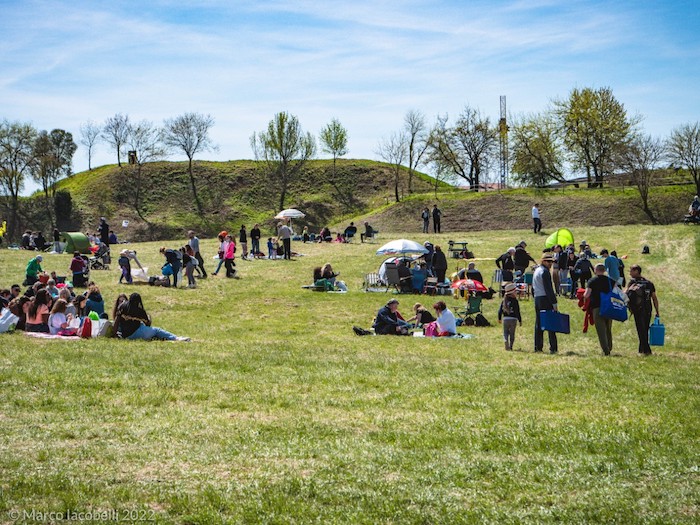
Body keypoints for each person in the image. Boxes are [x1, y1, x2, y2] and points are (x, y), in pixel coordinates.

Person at [114, 293, 190, 341]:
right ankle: (175, 338)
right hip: (136, 333)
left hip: (125, 335)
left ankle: (157, 337)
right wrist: (149, 317)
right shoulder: (140, 311)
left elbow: (116, 321)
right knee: (157, 330)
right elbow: (148, 324)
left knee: (145, 329)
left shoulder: (122, 306)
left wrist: (114, 334)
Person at [625, 265, 660, 355]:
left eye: (631, 271)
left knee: (641, 330)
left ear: (637, 271)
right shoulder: (649, 283)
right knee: (645, 329)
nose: (630, 273)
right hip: (648, 309)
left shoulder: (632, 283)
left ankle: (646, 350)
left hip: (637, 309)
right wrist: (657, 311)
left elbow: (625, 294)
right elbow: (654, 298)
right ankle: (642, 349)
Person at [584, 263, 617, 356]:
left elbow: (586, 295)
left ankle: (606, 350)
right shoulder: (610, 280)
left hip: (597, 307)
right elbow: (617, 293)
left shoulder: (592, 281)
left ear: (595, 270)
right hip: (609, 307)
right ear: (604, 270)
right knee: (608, 329)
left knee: (601, 330)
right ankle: (609, 346)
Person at [532, 253, 558, 354]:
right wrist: (554, 303)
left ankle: (538, 347)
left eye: (551, 262)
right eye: (549, 261)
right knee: (550, 323)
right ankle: (553, 347)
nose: (550, 264)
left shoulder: (537, 270)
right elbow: (549, 289)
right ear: (543, 261)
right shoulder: (545, 272)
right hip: (545, 299)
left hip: (538, 298)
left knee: (539, 324)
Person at [498, 283, 522, 350]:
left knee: (505, 332)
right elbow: (517, 311)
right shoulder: (515, 301)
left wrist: (499, 318)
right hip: (513, 319)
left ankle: (505, 340)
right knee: (512, 334)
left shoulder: (504, 301)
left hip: (505, 319)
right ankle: (511, 346)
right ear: (512, 293)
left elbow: (500, 311)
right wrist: (520, 320)